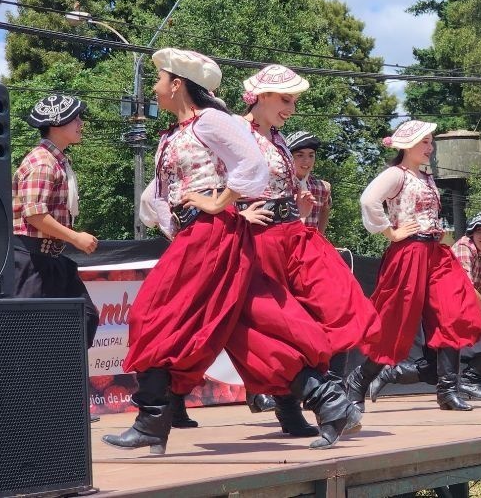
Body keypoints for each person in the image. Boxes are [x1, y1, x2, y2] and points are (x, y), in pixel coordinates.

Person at [102, 49, 359, 454]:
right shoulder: (176, 132)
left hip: (214, 237)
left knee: (152, 315)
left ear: (177, 84)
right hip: (200, 237)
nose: (154, 88)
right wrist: (177, 220)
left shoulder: (211, 120)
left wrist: (217, 203)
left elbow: (252, 166)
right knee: (248, 329)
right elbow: (159, 196)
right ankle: (328, 400)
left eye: (159, 80)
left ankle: (153, 419)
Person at [234, 64, 377, 435]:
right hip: (261, 240)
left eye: (294, 101)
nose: (291, 108)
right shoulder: (233, 131)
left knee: (336, 300)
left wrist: (295, 203)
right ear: (261, 96)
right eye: (285, 99)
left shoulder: (279, 138)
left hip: (293, 234)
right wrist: (237, 211)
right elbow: (209, 176)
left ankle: (319, 397)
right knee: (284, 325)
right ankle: (294, 410)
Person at [346, 120, 481, 412]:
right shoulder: (396, 174)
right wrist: (391, 232)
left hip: (434, 252)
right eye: (425, 142)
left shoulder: (425, 177)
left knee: (452, 312)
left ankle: (448, 391)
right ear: (408, 145)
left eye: (430, 142)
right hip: (408, 252)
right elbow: (369, 200)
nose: (430, 147)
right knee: (396, 319)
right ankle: (360, 379)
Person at [368, 210, 481, 401]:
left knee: (438, 369)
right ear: (471, 233)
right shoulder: (465, 248)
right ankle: (391, 374)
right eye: (479, 231)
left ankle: (467, 381)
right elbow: (466, 289)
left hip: (460, 314)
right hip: (445, 314)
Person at [12, 95, 101, 421]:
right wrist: (75, 237)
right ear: (57, 124)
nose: (81, 124)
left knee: (84, 319)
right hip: (31, 262)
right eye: (76, 119)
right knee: (27, 338)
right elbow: (35, 215)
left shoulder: (58, 159)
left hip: (51, 261)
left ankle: (63, 399)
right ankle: (27, 409)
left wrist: (71, 238)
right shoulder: (42, 161)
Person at [285, 131, 332, 233]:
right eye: (300, 155)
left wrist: (320, 236)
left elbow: (325, 209)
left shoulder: (322, 187)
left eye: (311, 155)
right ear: (289, 157)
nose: (307, 161)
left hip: (309, 246)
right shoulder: (280, 184)